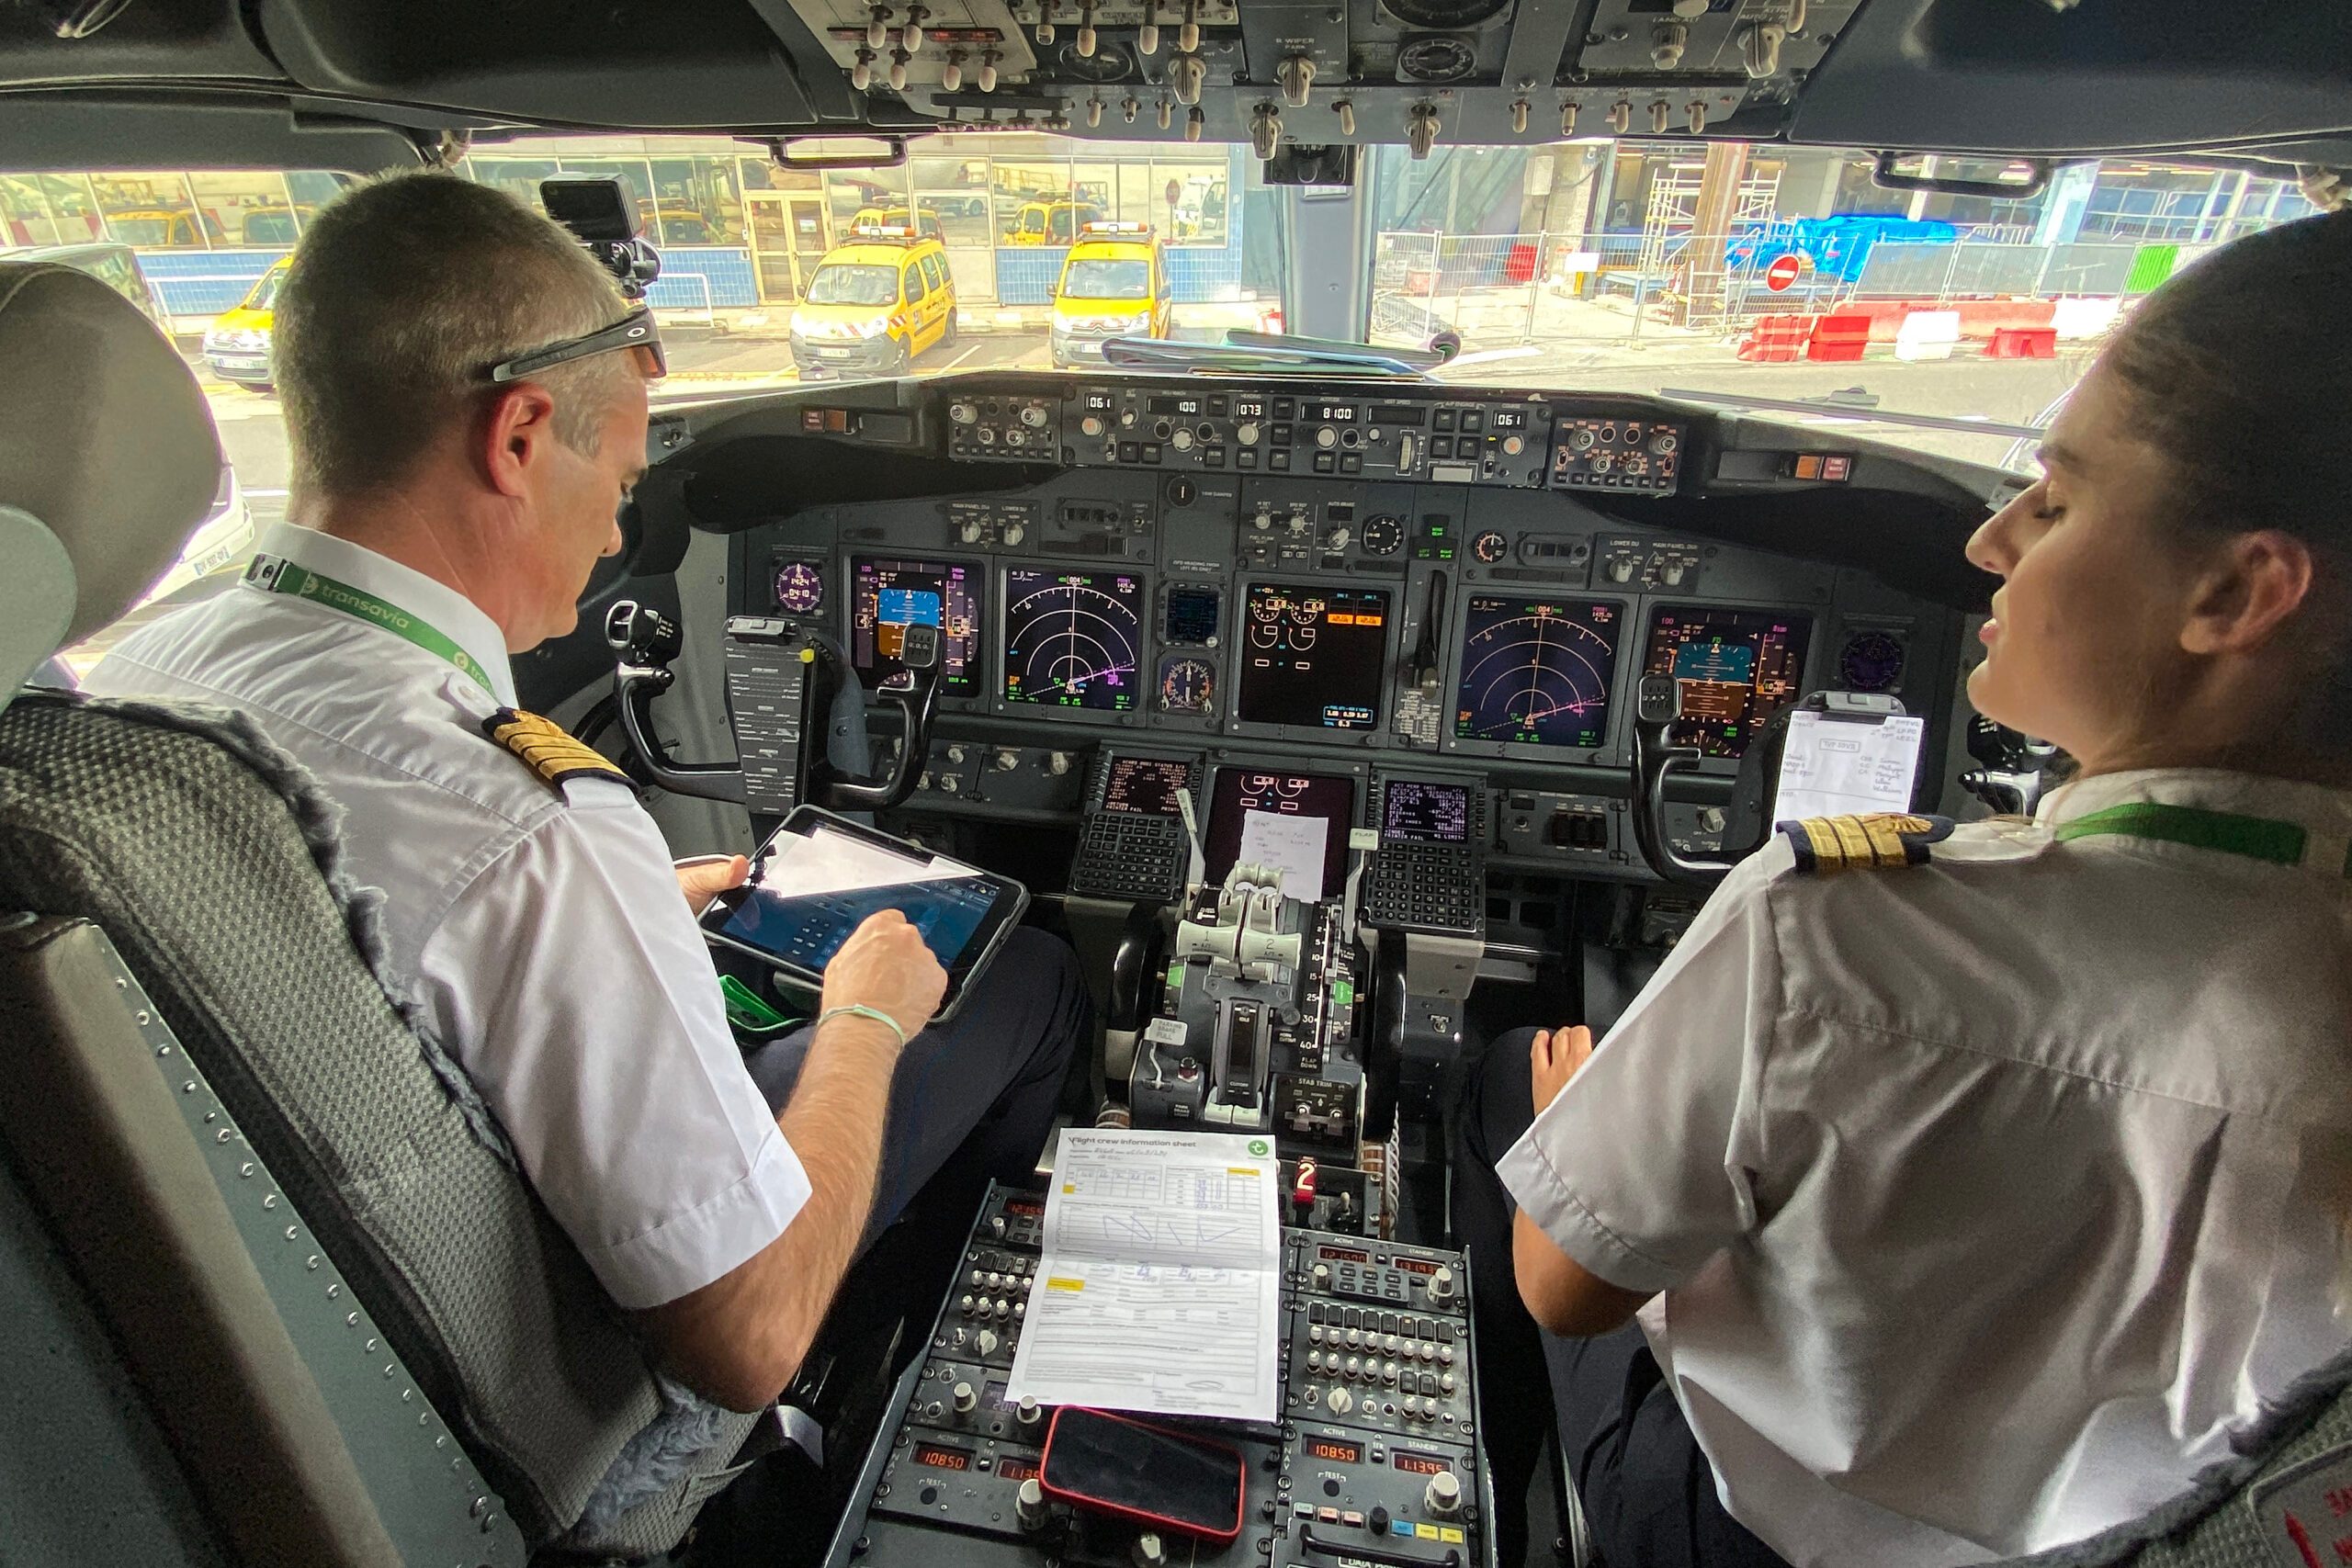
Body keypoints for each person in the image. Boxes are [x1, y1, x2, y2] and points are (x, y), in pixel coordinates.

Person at [84, 172, 1088, 1433]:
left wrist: (615, 923)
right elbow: (746, 1335)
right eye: (616, 482)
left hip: (295, 1283)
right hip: (553, 1362)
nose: (620, 536)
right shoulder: (520, 823)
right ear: (516, 439)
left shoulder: (139, 680)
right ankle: (882, 1377)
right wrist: (870, 1025)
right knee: (1032, 973)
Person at [1456, 209, 2352, 1568]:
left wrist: (1579, 1119)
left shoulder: (1838, 924)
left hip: (1736, 1533)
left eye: (2057, 494)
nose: (1991, 541)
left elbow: (1567, 1286)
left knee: (1498, 1069)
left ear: (2238, 591)